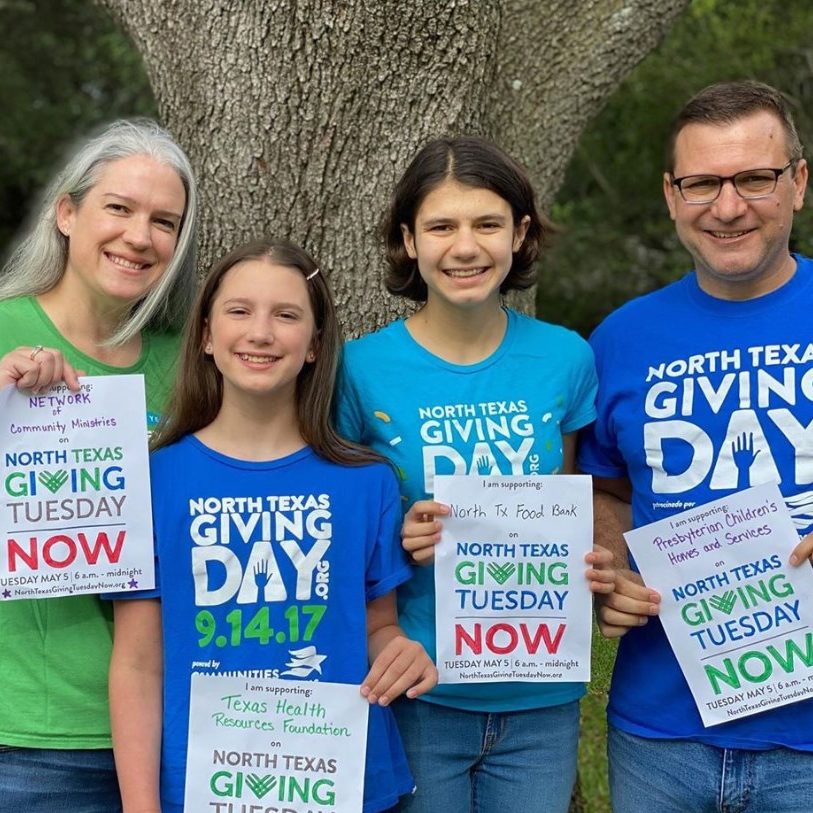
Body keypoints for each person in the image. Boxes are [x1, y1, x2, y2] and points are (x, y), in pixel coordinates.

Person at [335, 136, 614, 813]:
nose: (465, 246)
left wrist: (597, 562)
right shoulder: (359, 367)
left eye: (487, 223)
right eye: (441, 225)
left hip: (541, 698)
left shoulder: (565, 357)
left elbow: (573, 502)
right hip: (421, 689)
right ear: (407, 240)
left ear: (519, 235)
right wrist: (394, 533)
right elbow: (338, 526)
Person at [108, 238, 437, 813]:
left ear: (314, 344)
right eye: (239, 311)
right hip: (202, 787)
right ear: (206, 335)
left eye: (286, 315)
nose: (260, 333)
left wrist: (400, 650)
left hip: (340, 779)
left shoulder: (367, 482)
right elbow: (138, 663)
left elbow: (375, 627)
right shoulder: (155, 480)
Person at [579, 80, 813, 812]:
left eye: (754, 177)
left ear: (798, 182)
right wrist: (610, 570)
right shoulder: (618, 340)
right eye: (702, 182)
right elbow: (605, 491)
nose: (728, 205)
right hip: (659, 734)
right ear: (670, 194)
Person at [0, 119, 197, 812]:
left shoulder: (189, 365)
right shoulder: (3, 331)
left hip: (168, 732)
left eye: (163, 220)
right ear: (66, 212)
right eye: (119, 207)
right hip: (27, 735)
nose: (140, 236)